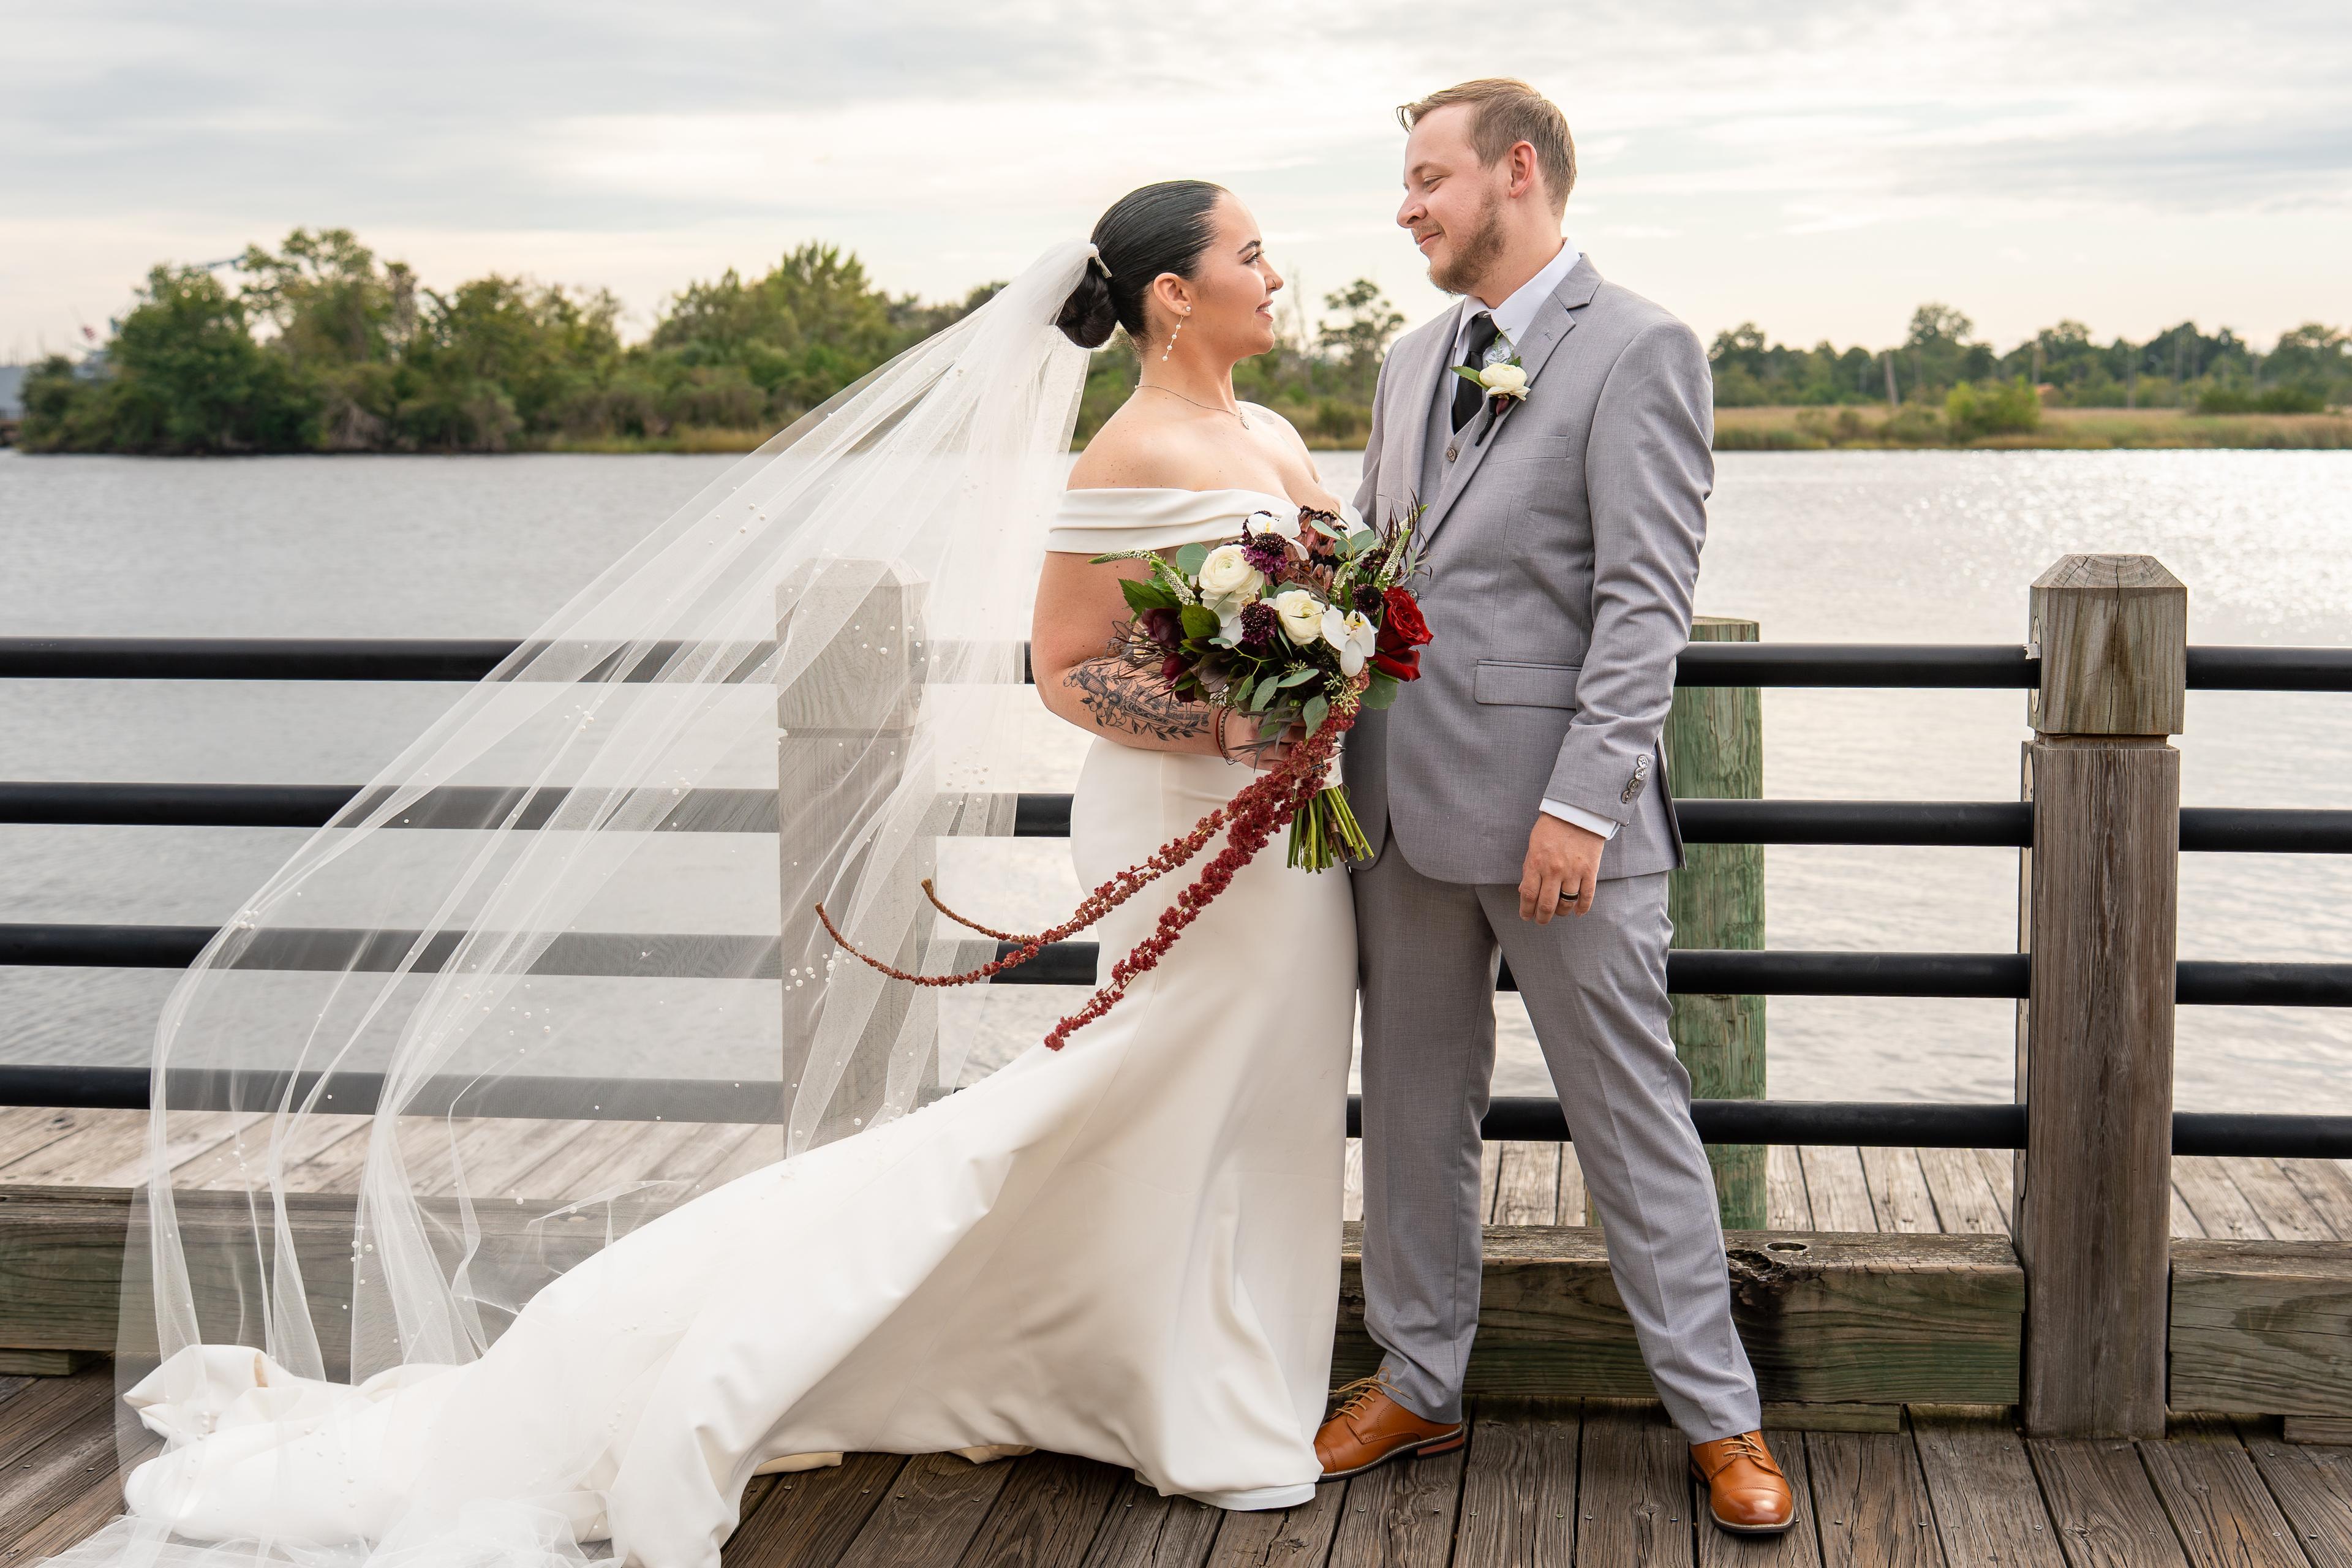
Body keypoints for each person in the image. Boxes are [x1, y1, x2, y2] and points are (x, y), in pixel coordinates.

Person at [58, 186, 1355, 1568]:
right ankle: (1133, 1377)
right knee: (1165, 1076)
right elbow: (1065, 665)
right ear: (1173, 294)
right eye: (1251, 254)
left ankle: (1203, 1359)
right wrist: (1220, 727)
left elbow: (1333, 600)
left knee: (1266, 1082)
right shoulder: (1130, 451)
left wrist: (1340, 660)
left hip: (1296, 826)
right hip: (1182, 818)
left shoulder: (1276, 434)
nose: (1276, 274)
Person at [1317, 78, 1798, 1537]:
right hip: (1397, 804)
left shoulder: (1641, 347)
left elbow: (1646, 603)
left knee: (1630, 1115)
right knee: (1412, 1109)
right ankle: (1418, 1378)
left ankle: (1720, 1415)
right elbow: (1378, 558)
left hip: (1559, 825)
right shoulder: (1412, 358)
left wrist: (1583, 806)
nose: (1407, 206)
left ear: (1516, 171)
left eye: (1428, 178)